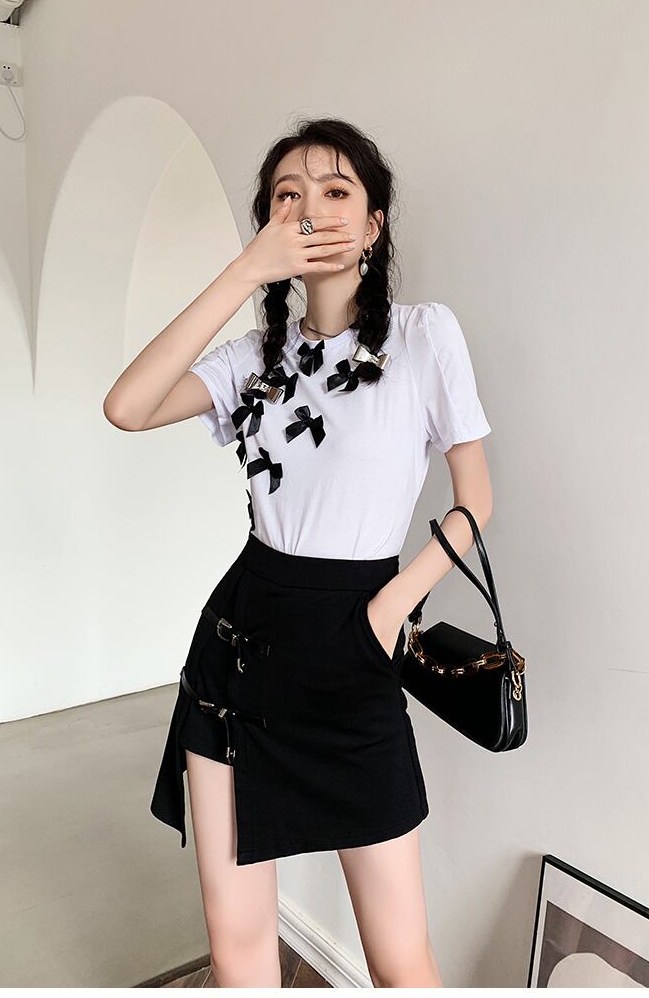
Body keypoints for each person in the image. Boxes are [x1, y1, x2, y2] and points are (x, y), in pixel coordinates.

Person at [103, 117, 493, 988]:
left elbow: (475, 501)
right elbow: (127, 407)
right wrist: (247, 271)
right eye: (288, 197)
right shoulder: (254, 359)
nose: (311, 210)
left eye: (336, 191)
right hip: (240, 655)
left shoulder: (423, 338)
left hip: (358, 646)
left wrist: (388, 611)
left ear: (375, 223)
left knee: (402, 960)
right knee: (240, 948)